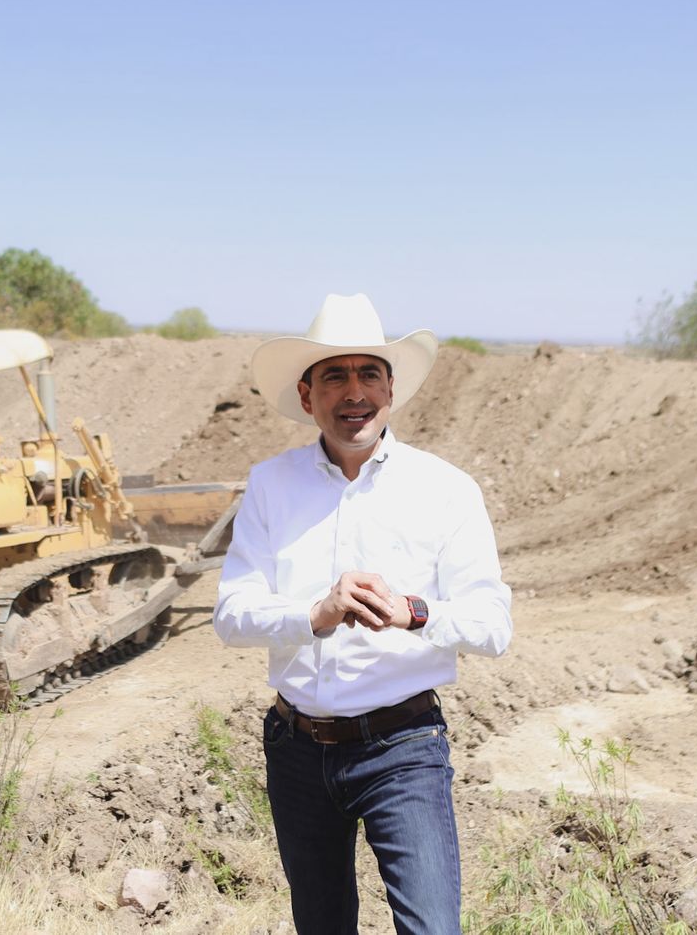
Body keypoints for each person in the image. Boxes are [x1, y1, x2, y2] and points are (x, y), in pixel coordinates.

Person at [214, 293, 512, 935]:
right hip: (296, 749)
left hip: (402, 747)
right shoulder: (270, 484)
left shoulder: (446, 489)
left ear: (391, 388)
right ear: (306, 395)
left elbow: (493, 625)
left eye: (368, 373)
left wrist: (416, 612)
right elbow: (231, 613)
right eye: (334, 375)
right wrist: (312, 615)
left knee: (431, 928)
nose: (353, 392)